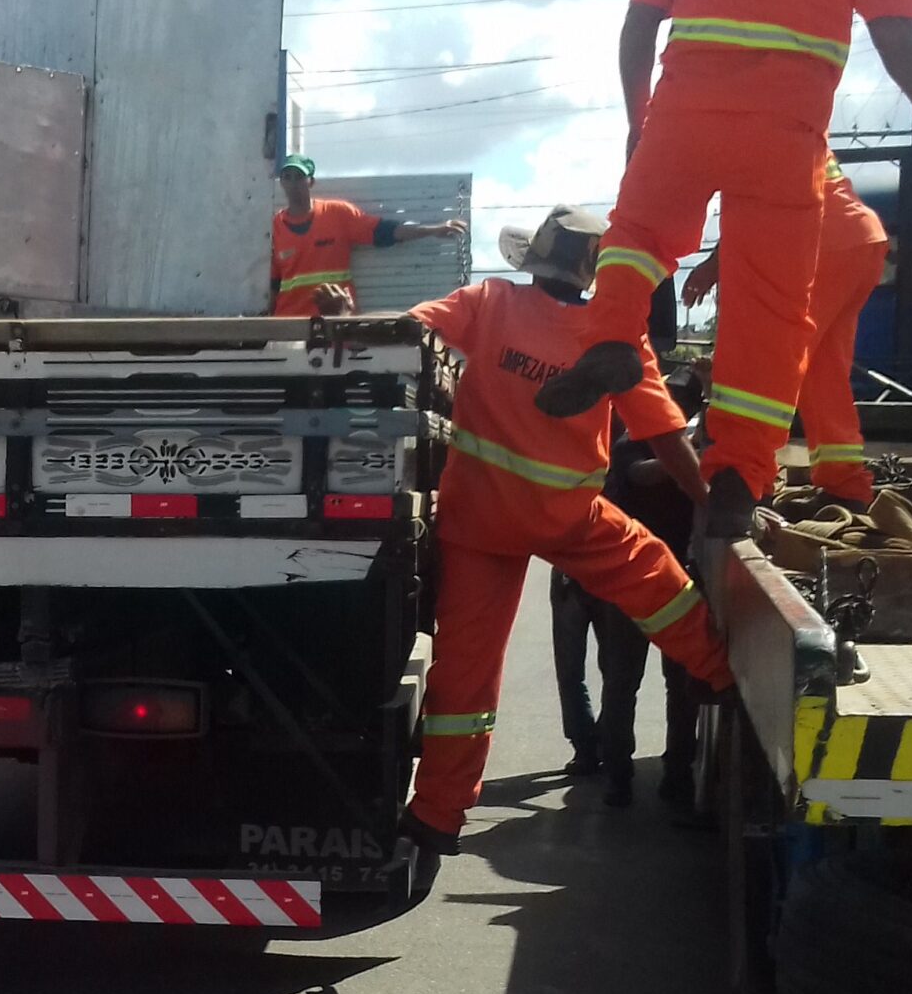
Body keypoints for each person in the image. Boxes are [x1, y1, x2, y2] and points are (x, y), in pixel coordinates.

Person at [536, 0, 912, 537]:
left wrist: (640, 123)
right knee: (771, 309)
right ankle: (737, 475)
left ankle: (609, 340)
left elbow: (638, 25)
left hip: (683, 115)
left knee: (638, 237)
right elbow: (895, 28)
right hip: (784, 136)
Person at [402, 207, 732, 854]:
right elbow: (663, 433)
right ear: (593, 267)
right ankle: (718, 674)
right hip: (570, 514)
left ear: (536, 260)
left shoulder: (490, 301)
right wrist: (708, 501)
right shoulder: (614, 334)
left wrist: (342, 322)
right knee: (656, 579)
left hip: (480, 518)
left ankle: (437, 815)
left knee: (464, 676)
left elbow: (413, 331)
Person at [684, 155, 891, 505]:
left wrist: (713, 263)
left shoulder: (737, 131)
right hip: (858, 237)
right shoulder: (786, 128)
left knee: (768, 365)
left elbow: (749, 202)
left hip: (817, 243)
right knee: (824, 372)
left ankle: (749, 484)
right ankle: (845, 484)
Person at [554, 363, 706, 808]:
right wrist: (687, 459)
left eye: (682, 401)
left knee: (679, 687)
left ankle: (676, 774)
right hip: (633, 583)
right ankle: (618, 775)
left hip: (678, 582)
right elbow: (641, 473)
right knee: (623, 681)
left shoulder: (690, 445)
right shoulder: (636, 441)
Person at [273, 154, 467, 316]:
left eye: (299, 177)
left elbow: (386, 232)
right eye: (287, 177)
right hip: (290, 322)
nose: (293, 183)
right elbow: (271, 283)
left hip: (336, 320)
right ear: (281, 182)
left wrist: (433, 230)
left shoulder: (337, 213)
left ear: (311, 181)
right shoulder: (274, 227)